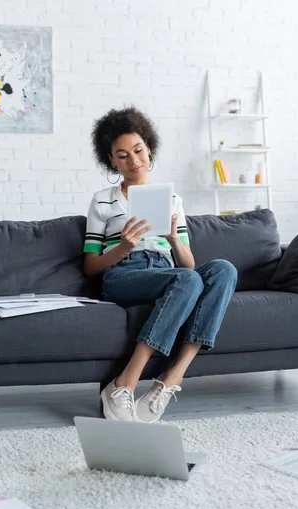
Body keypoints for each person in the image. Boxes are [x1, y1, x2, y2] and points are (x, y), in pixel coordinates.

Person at [83, 106, 237, 423]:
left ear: (149, 148)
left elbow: (189, 264)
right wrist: (123, 248)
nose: (134, 161)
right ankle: (124, 382)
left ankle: (172, 378)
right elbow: (91, 267)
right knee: (188, 281)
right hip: (124, 274)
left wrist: (173, 239)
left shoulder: (172, 200)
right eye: (122, 155)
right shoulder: (102, 200)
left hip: (169, 270)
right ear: (111, 160)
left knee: (223, 269)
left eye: (138, 150)